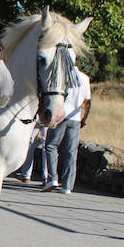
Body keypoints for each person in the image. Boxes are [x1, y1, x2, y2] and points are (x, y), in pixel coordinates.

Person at [40, 66, 92, 194]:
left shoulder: (62, 76)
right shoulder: (85, 78)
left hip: (60, 115)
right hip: (75, 117)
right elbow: (87, 102)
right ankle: (67, 186)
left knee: (51, 146)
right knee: (71, 152)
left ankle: (52, 178)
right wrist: (84, 118)